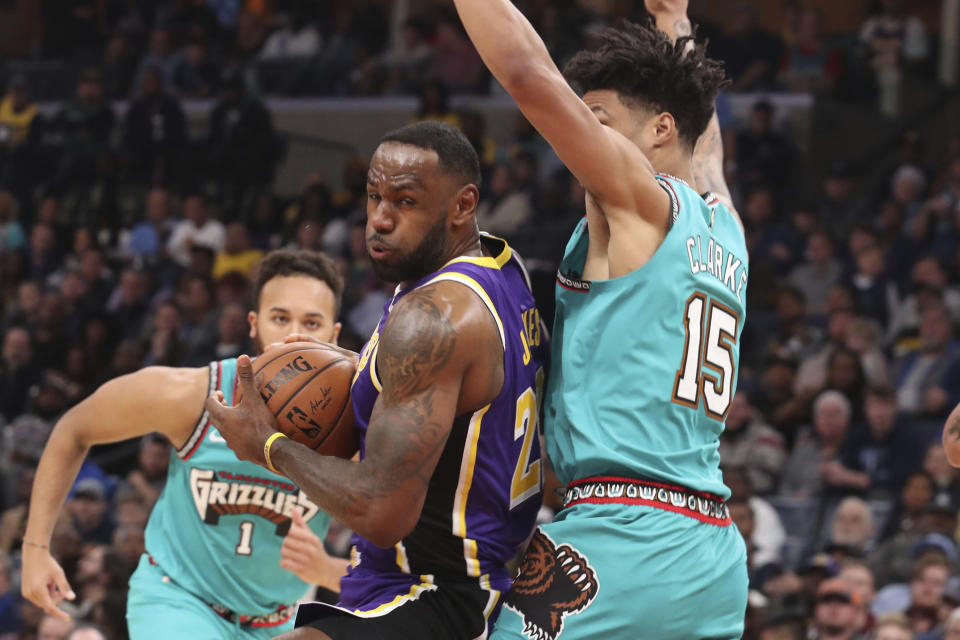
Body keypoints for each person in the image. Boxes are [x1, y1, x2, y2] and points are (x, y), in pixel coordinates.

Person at [451, 0, 747, 638]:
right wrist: (674, 20)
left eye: (599, 120)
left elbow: (530, 76)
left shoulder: (643, 201)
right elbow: (708, 145)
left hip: (625, 533)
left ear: (659, 130)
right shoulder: (726, 226)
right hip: (713, 552)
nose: (583, 136)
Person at [205, 121, 549, 639]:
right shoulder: (502, 265)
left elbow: (380, 510)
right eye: (373, 197)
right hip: (447, 573)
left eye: (405, 202)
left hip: (440, 591)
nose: (380, 220)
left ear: (463, 206)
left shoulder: (430, 317)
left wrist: (269, 446)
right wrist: (365, 365)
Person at [21, 250, 349, 638]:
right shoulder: (192, 395)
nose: (294, 334)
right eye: (280, 318)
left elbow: (412, 572)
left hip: (279, 622)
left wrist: (329, 570)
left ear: (334, 334)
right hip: (177, 601)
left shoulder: (357, 429)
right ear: (253, 324)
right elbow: (75, 428)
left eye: (312, 322)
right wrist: (35, 548)